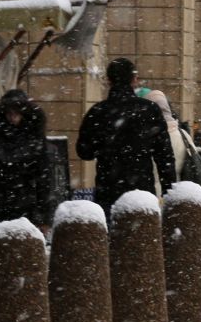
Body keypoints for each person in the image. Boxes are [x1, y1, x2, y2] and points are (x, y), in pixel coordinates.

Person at [75, 59, 176, 215]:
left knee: (111, 227)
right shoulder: (149, 109)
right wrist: (168, 190)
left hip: (108, 189)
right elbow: (164, 155)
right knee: (142, 228)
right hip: (142, 191)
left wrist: (105, 146)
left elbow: (84, 152)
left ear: (108, 80)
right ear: (134, 79)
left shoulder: (98, 111)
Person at [0, 89, 56, 232]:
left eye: (17, 113)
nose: (13, 117)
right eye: (9, 113)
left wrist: (44, 216)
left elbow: (44, 178)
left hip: (20, 205)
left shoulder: (34, 140)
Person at [142, 89, 201, 187]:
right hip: (174, 187)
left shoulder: (144, 136)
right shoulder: (183, 134)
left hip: (147, 190)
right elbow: (192, 159)